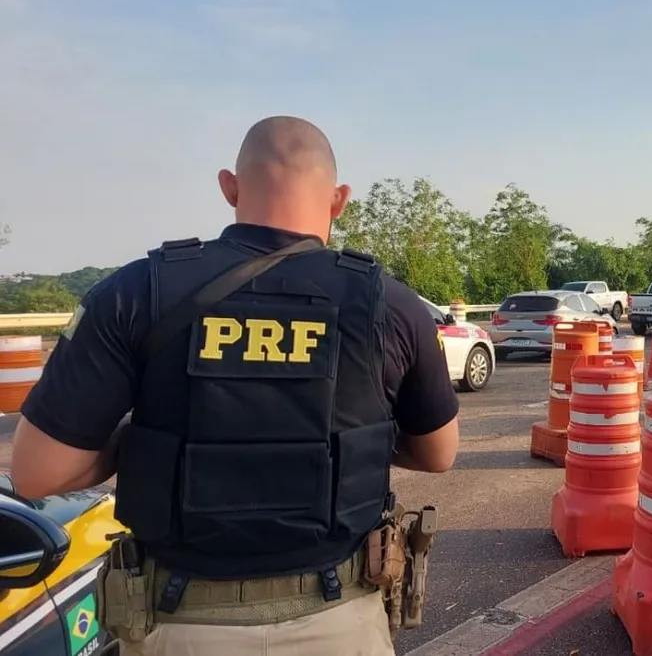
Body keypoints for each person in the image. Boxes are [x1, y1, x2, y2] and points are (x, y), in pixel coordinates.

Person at [10, 115, 461, 655]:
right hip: (340, 621)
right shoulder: (391, 304)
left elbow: (38, 473)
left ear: (229, 186)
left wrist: (149, 446)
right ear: (339, 200)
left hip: (177, 625)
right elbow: (438, 454)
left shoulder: (136, 292)